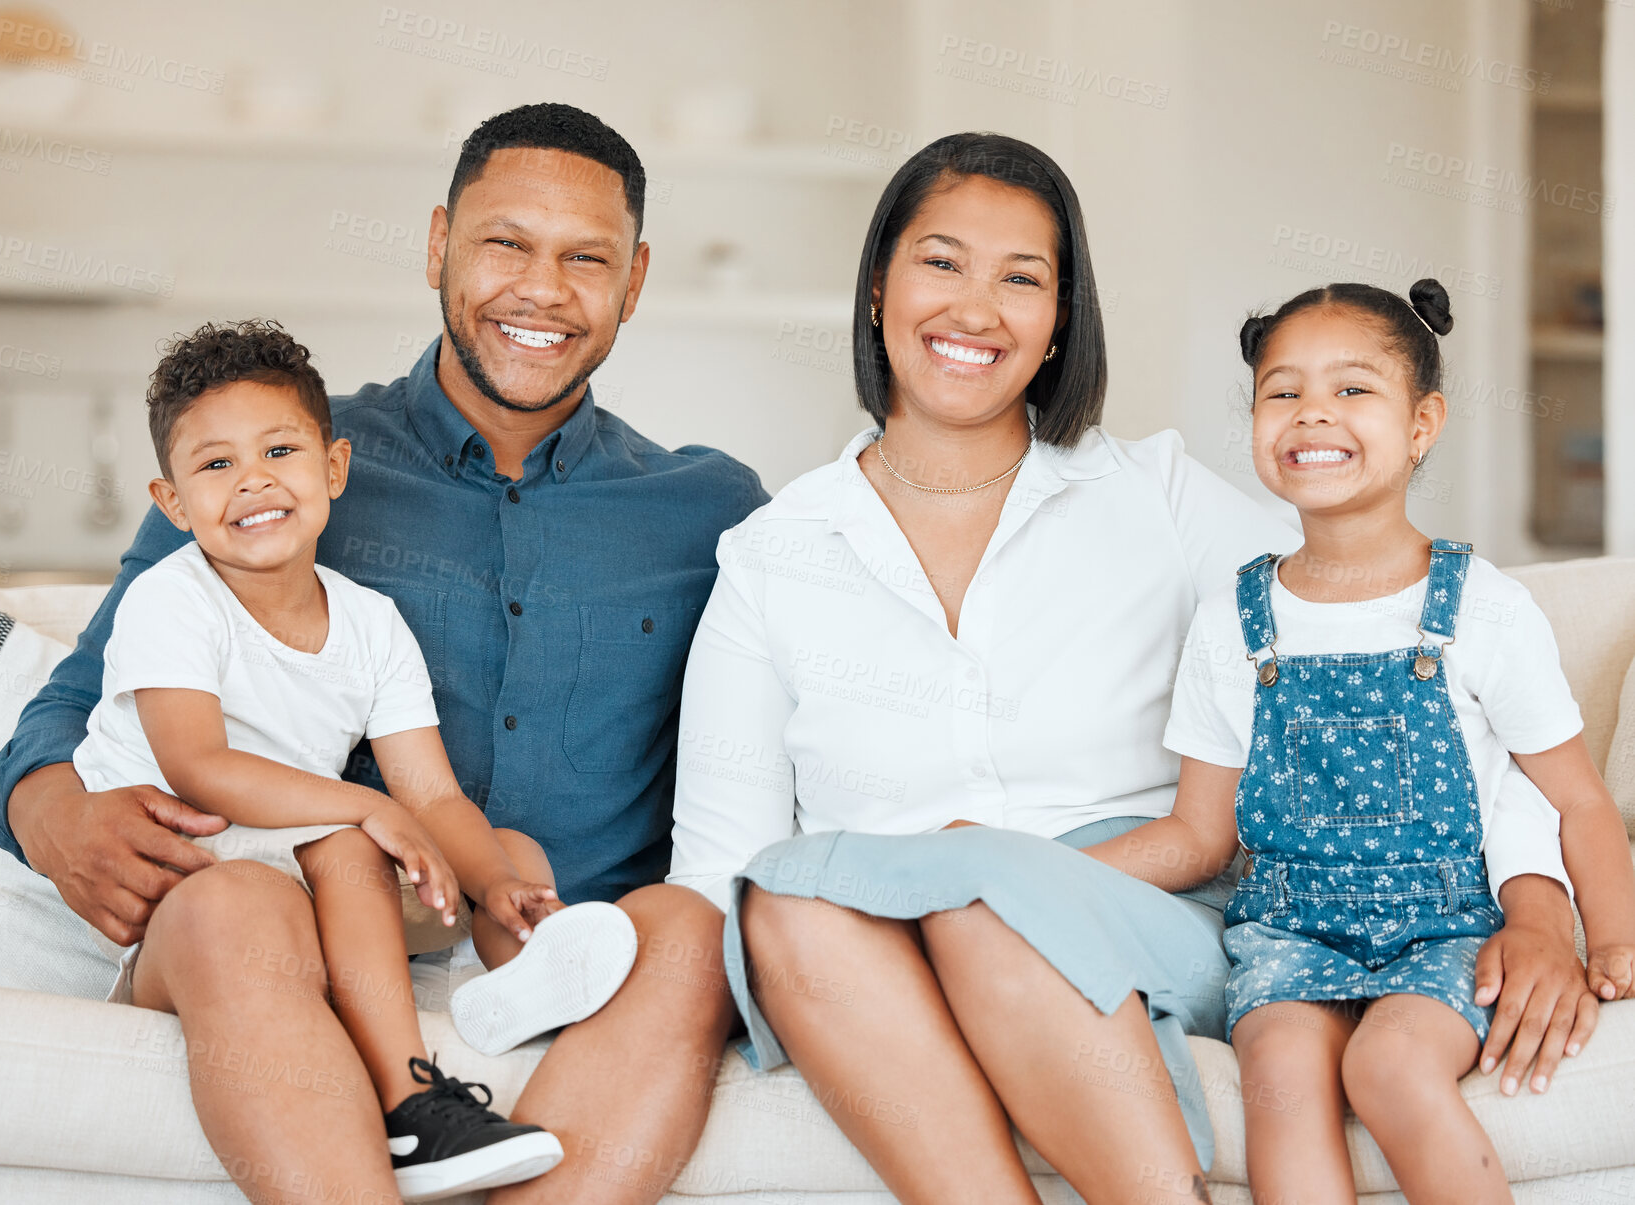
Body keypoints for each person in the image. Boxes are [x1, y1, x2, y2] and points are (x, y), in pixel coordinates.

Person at [668, 134, 1599, 1205]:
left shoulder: (1153, 496)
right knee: (778, 903)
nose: (975, 308)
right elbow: (718, 864)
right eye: (940, 261)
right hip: (879, 945)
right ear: (877, 285)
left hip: (1146, 916)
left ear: (1059, 318)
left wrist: (1539, 903)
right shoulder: (772, 552)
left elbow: (1430, 672)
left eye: (1021, 277)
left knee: (989, 905)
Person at [0, 103, 766, 1205]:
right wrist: (49, 812)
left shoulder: (709, 510)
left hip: (547, 950)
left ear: (632, 282)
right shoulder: (266, 465)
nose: (541, 289)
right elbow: (72, 705)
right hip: (290, 928)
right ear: (438, 242)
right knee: (233, 902)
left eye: (584, 258)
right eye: (504, 243)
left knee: (691, 928)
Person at [1081, 279, 1635, 1203]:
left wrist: (1610, 944)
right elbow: (1199, 835)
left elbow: (1578, 796)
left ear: (1423, 422)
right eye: (1283, 391)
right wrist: (1035, 866)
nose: (1313, 414)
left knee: (1388, 1068)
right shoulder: (1231, 621)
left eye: (1352, 389)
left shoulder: (1484, 608)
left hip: (1448, 928)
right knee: (1281, 1075)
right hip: (1290, 928)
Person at [77, 317, 641, 1198]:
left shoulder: (370, 623)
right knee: (348, 836)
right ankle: (413, 1100)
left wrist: (489, 881)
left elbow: (432, 794)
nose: (253, 479)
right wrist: (366, 808)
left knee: (509, 853)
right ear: (173, 503)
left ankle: (518, 977)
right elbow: (197, 765)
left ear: (333, 469)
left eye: (278, 449)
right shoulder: (171, 600)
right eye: (216, 464)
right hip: (191, 902)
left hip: (311, 885)